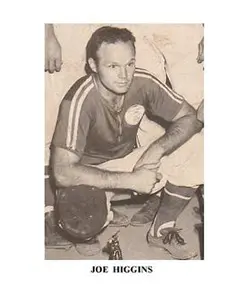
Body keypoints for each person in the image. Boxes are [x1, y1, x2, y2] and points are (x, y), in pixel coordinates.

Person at [49, 26, 203, 259]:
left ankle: (160, 230)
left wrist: (154, 152)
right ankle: (93, 223)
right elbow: (62, 173)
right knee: (79, 212)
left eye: (129, 64)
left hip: (131, 164)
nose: (124, 75)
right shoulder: (80, 99)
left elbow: (190, 117)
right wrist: (130, 180)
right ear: (93, 65)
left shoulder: (142, 81)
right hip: (90, 176)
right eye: (113, 66)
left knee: (200, 147)